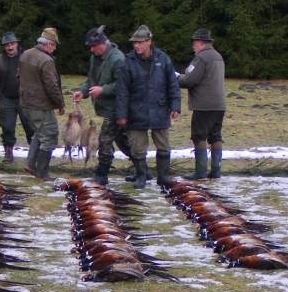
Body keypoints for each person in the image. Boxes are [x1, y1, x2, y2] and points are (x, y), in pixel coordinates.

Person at [114, 25, 180, 189]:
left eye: (140, 42)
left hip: (159, 109)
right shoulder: (128, 62)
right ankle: (141, 176)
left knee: (164, 145)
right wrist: (121, 114)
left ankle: (163, 177)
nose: (136, 46)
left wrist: (175, 106)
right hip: (136, 110)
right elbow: (122, 91)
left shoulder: (163, 59)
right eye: (134, 43)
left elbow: (172, 85)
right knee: (137, 147)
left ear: (149, 41)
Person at [71, 25, 130, 185]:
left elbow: (123, 85)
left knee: (104, 139)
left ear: (103, 43)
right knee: (123, 140)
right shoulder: (94, 59)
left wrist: (102, 90)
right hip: (106, 107)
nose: (91, 50)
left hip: (118, 107)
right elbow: (91, 80)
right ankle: (143, 170)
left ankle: (101, 174)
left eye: (93, 46)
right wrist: (82, 92)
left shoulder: (118, 59)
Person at [176, 28, 226, 180]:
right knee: (215, 136)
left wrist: (176, 77)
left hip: (204, 104)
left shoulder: (201, 57)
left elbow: (189, 80)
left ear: (199, 42)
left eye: (194, 42)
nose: (192, 46)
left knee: (199, 136)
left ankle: (201, 171)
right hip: (219, 104)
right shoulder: (217, 56)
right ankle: (215, 171)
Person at [18, 27, 65, 181]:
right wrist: (60, 104)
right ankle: (42, 173)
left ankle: (30, 163)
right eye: (54, 45)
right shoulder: (46, 60)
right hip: (41, 106)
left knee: (39, 133)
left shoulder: (25, 54)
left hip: (26, 104)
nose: (55, 48)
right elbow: (52, 86)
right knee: (50, 136)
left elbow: (18, 76)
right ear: (49, 44)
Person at [0, 31, 34, 163]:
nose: (10, 47)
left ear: (17, 44)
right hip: (7, 100)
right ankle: (8, 153)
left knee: (31, 127)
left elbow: (34, 77)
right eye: (7, 45)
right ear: (3, 47)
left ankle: (34, 153)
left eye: (12, 44)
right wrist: (1, 97)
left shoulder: (27, 58)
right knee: (7, 127)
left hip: (25, 99)